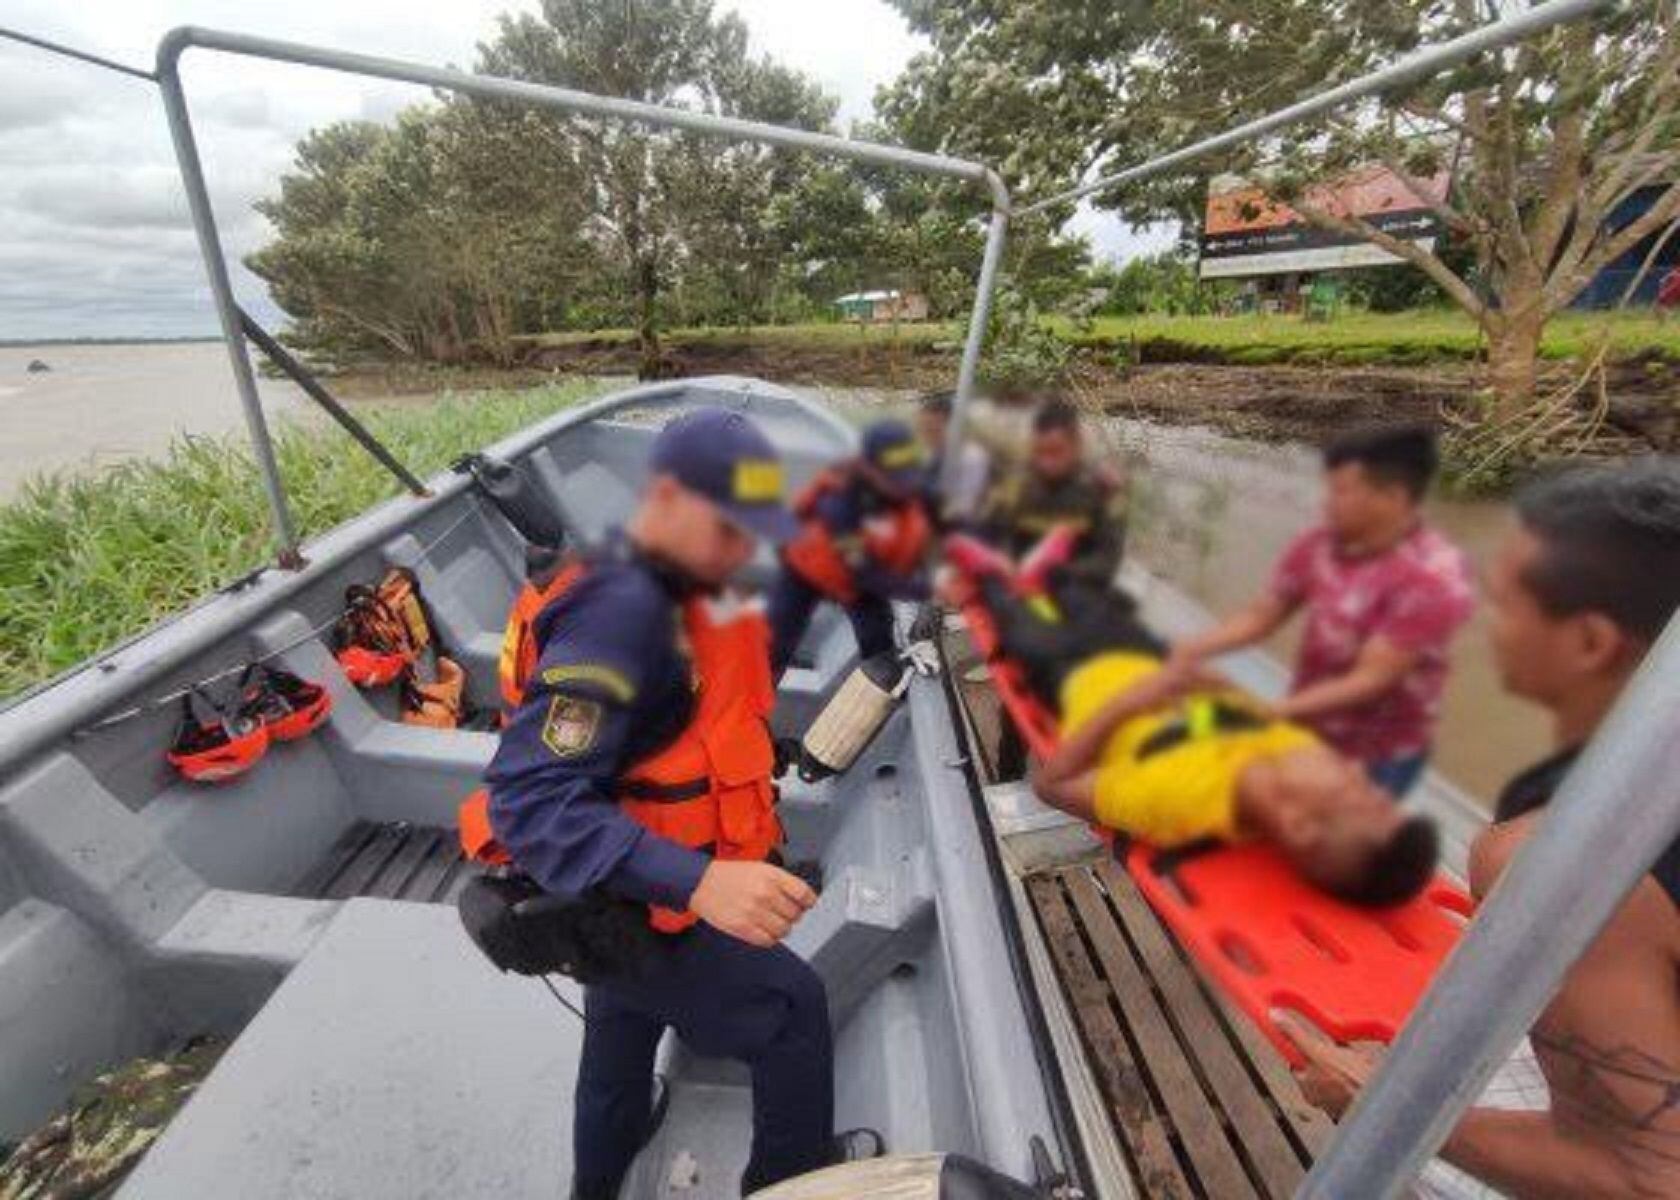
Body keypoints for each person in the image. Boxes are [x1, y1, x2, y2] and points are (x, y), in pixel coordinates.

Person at [481, 408, 879, 1199]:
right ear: (665, 497)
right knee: (791, 1009)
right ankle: (788, 1185)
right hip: (638, 895)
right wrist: (699, 883)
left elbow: (714, 697)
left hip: (618, 901)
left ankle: (604, 1164)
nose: (743, 546)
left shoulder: (689, 582)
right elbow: (527, 799)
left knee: (622, 1015)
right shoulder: (623, 617)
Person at [1282, 460, 1680, 1199]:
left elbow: (1647, 1181)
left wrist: (1372, 1098)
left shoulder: (1574, 863)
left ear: (1591, 642)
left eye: (1502, 603)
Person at [981, 568, 1439, 907]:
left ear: (1299, 823)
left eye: (1355, 791)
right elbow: (1244, 705)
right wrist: (1204, 680)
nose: (1356, 771)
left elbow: (1052, 786)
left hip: (1076, 678)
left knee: (1014, 611)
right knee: (1076, 586)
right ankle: (1050, 567)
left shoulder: (1178, 802)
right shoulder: (1297, 756)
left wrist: (1128, 704)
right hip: (1142, 658)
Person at [1174, 425, 1474, 798]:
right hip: (1308, 725)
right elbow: (1261, 616)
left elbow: (1370, 681)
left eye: (1342, 491)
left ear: (1393, 498)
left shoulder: (1434, 576)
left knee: (1332, 844)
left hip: (1377, 753)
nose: (1327, 503)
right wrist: (1193, 649)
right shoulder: (1320, 544)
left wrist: (1270, 711)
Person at [768, 418, 932, 677]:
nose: (900, 484)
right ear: (867, 467)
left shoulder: (910, 494)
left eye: (905, 474)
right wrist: (925, 590)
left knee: (880, 646)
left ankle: (881, 690)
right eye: (891, 476)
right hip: (809, 570)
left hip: (864, 578)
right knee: (774, 645)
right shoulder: (839, 504)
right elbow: (863, 572)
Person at [978, 397, 1128, 589]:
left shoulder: (1104, 490)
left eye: (1056, 452)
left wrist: (1055, 573)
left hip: (1075, 590)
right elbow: (989, 534)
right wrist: (1000, 559)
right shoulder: (1016, 486)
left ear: (1076, 446)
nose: (1046, 463)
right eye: (1040, 452)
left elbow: (1106, 562)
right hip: (1014, 587)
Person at [915, 391, 991, 527]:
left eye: (933, 429)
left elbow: (963, 507)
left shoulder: (970, 457)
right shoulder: (930, 454)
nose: (926, 434)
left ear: (953, 426)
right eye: (923, 428)